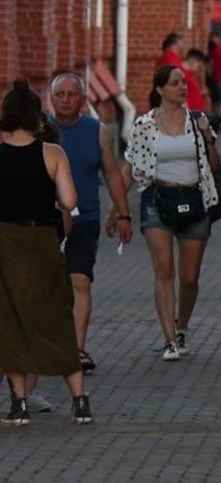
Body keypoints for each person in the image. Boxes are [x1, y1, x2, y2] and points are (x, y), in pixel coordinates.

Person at [0, 80, 90, 426]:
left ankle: (19, 403)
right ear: (36, 115)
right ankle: (80, 399)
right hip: (42, 241)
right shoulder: (52, 153)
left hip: (6, 243)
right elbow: (69, 201)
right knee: (55, 316)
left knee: (11, 322)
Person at [120, 65, 221, 361]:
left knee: (189, 277)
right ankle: (168, 340)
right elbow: (130, 167)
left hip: (193, 198)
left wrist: (208, 137)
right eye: (175, 83)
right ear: (160, 89)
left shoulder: (198, 121)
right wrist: (118, 208)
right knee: (164, 270)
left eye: (183, 83)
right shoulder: (144, 124)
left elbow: (214, 166)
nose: (182, 87)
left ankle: (182, 327)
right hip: (157, 198)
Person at [49, 73, 133, 373]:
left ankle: (77, 349)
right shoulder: (42, 131)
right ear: (52, 98)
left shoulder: (98, 131)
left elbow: (111, 173)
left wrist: (123, 214)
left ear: (84, 101)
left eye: (73, 95)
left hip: (85, 219)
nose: (67, 100)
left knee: (80, 281)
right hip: (47, 222)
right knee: (50, 287)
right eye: (61, 94)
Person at [157, 32, 209, 113]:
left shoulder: (175, 59)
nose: (183, 46)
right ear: (176, 43)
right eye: (181, 42)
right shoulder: (169, 58)